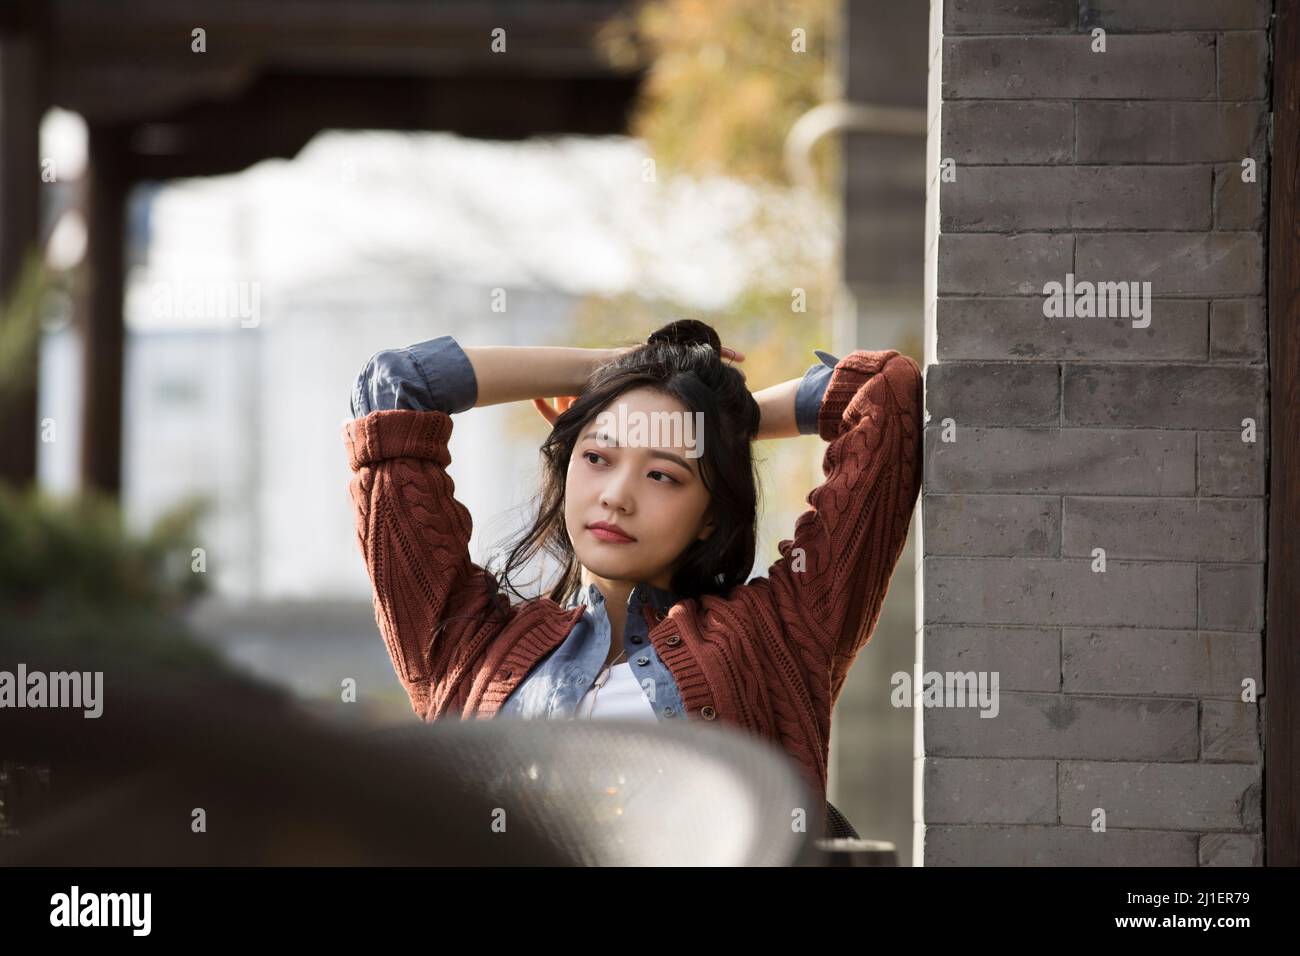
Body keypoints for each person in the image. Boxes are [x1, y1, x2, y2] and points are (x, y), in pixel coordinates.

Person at [344, 318, 922, 828]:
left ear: (710, 514)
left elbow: (883, 393)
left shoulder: (780, 634)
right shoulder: (467, 647)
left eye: (663, 475)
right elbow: (396, 387)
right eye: (598, 457)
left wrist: (721, 422)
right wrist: (609, 373)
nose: (617, 497)